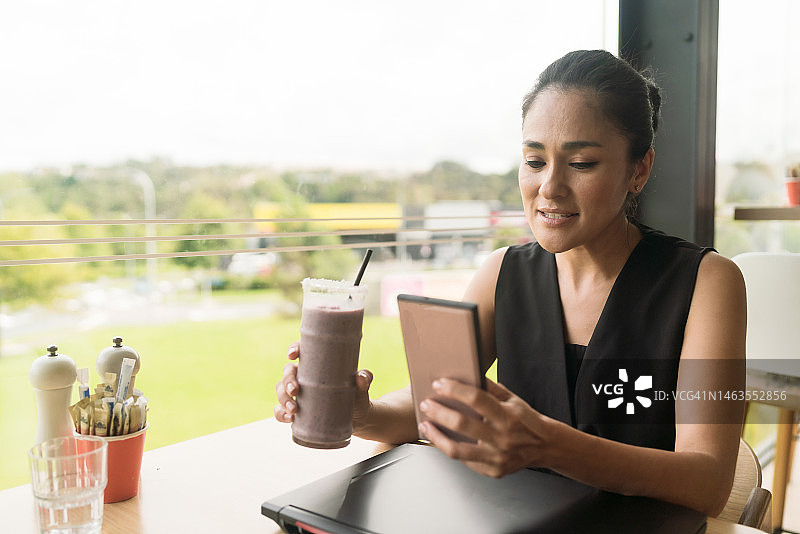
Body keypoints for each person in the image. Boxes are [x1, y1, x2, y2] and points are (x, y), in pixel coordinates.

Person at [275, 49, 746, 516]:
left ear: (638, 170)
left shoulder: (706, 282)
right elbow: (435, 403)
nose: (550, 187)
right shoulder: (501, 272)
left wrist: (549, 446)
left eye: (581, 163)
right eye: (535, 161)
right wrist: (364, 413)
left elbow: (707, 483)